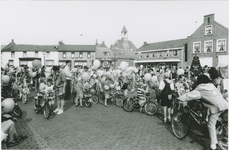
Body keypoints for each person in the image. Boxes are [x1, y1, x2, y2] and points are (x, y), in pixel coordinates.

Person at [178, 75, 228, 150]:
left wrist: (179, 98)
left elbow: (189, 96)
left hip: (217, 107)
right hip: (225, 104)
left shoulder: (200, 89)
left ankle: (213, 145)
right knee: (223, 122)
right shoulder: (211, 86)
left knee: (211, 124)